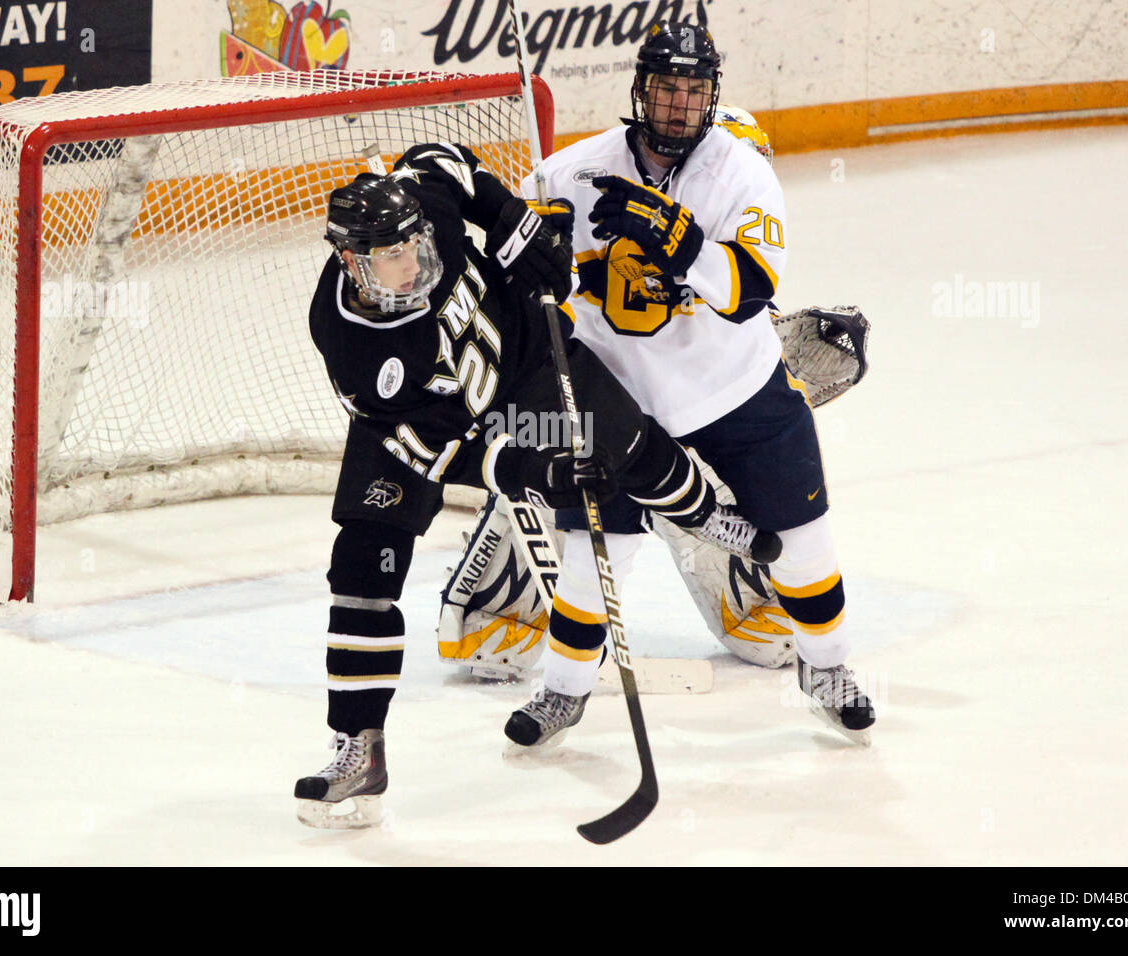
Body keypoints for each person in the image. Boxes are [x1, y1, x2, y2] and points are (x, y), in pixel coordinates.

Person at [295, 141, 779, 828]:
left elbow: (447, 161)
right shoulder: (356, 349)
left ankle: (702, 512)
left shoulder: (420, 204)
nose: (414, 267)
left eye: (417, 248)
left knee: (632, 447)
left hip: (526, 357)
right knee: (361, 573)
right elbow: (442, 454)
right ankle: (358, 747)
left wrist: (516, 227)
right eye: (392, 259)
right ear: (351, 261)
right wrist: (529, 471)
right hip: (420, 432)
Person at [503, 21, 876, 749]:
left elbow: (749, 289)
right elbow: (508, 275)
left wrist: (676, 239)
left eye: (695, 90)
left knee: (804, 547)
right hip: (618, 405)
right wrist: (532, 257)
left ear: (713, 98)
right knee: (592, 558)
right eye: (668, 87)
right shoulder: (568, 174)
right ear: (640, 88)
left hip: (735, 391)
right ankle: (564, 690)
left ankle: (827, 670)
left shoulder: (742, 175)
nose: (680, 104)